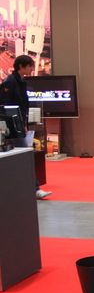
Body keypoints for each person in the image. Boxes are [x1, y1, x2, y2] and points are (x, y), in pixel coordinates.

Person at [0, 55, 52, 199]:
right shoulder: (10, 83)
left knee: (25, 157)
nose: (31, 69)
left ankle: (32, 188)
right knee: (25, 157)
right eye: (29, 66)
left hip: (19, 126)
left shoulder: (20, 82)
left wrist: (24, 124)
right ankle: (34, 189)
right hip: (12, 130)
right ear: (22, 66)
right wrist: (16, 126)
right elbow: (6, 108)